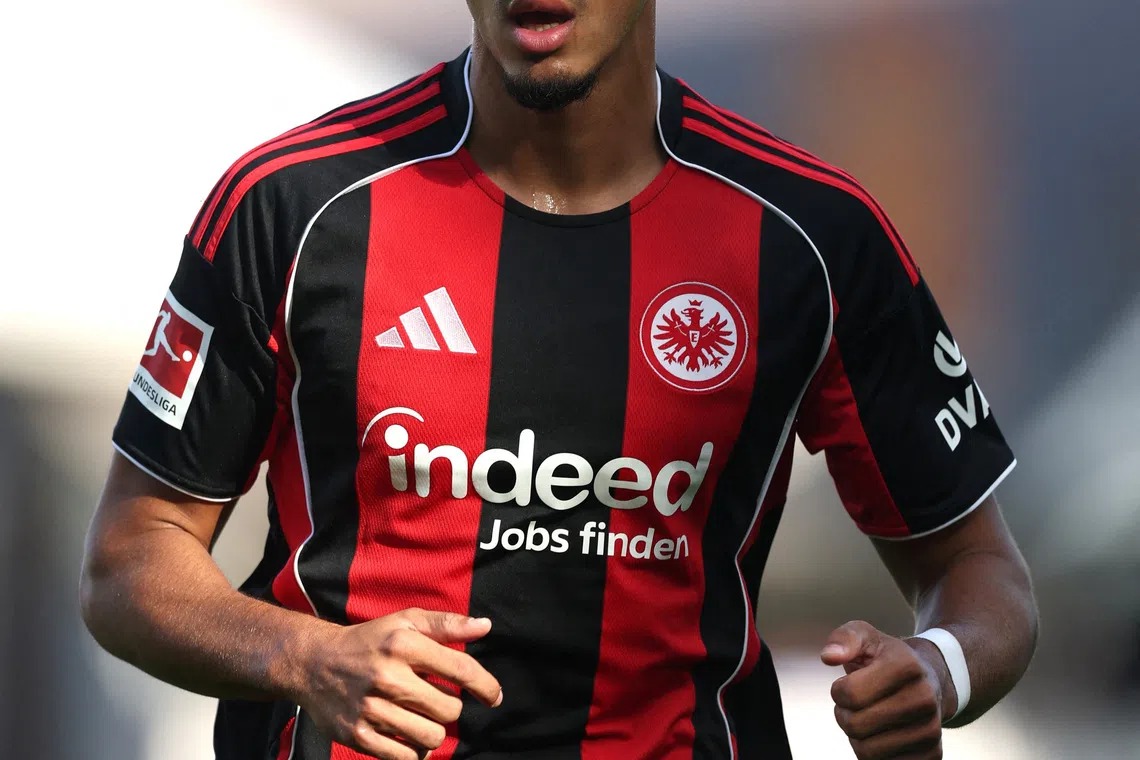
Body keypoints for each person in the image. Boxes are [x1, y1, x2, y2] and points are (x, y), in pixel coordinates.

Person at [79, 1, 1039, 759]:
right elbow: (129, 561)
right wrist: (305, 657)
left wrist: (939, 669)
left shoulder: (814, 238)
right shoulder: (291, 205)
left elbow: (981, 573)